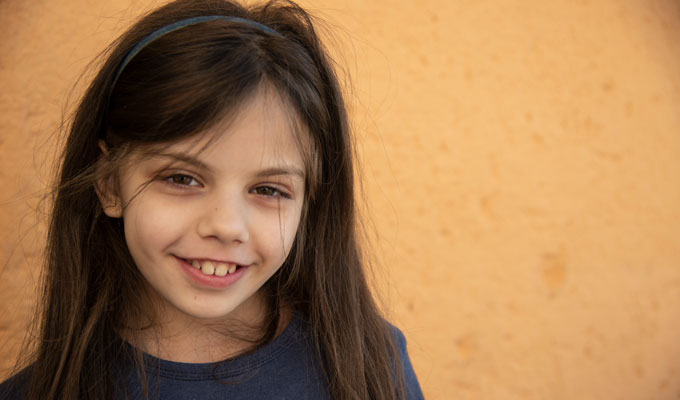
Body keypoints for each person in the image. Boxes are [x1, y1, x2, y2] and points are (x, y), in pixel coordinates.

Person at [0, 0, 424, 399]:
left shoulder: (369, 367)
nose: (226, 226)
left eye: (268, 190)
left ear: (309, 204)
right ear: (109, 183)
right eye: (182, 179)